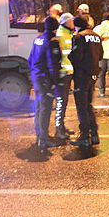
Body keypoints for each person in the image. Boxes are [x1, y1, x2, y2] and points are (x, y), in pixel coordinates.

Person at [27, 16, 63, 149]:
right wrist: (54, 81)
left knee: (39, 107)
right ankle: (44, 138)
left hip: (36, 77)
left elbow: (30, 60)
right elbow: (53, 64)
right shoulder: (51, 41)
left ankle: (39, 135)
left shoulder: (38, 39)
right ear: (56, 27)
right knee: (45, 108)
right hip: (45, 79)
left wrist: (35, 73)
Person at [68, 16, 103, 146]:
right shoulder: (96, 36)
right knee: (88, 105)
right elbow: (101, 55)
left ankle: (84, 137)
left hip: (81, 75)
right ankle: (94, 134)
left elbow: (77, 56)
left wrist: (69, 56)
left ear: (77, 26)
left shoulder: (79, 37)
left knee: (82, 107)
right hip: (93, 74)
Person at [54, 12, 76, 140]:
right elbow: (63, 54)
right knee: (61, 102)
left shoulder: (67, 34)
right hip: (63, 72)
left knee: (65, 102)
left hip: (67, 72)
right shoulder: (60, 34)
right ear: (65, 22)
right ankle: (58, 129)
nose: (73, 22)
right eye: (71, 20)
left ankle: (61, 126)